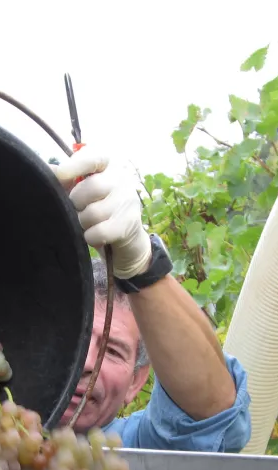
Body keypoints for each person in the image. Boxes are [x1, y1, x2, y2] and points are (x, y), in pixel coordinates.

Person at [50, 147, 252, 453]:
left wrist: (142, 267)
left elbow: (213, 413)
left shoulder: (134, 450)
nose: (87, 362)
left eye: (113, 351)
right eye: (75, 340)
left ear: (136, 381)